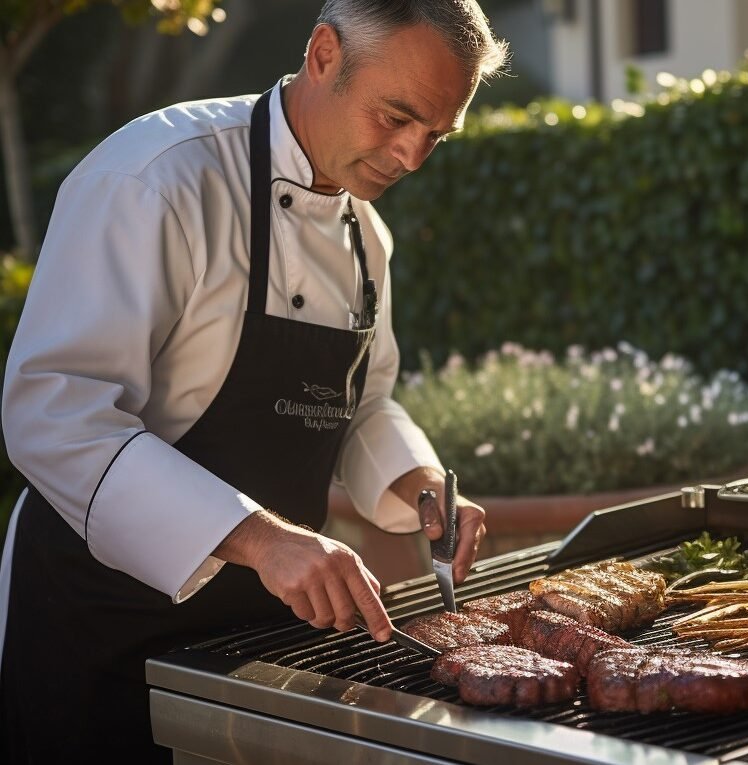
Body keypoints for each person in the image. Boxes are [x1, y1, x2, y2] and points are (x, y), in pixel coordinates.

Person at [0, 1, 508, 761]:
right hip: (98, 627)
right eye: (396, 116)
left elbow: (359, 403)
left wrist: (421, 485)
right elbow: (54, 416)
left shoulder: (367, 235)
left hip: (253, 648)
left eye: (435, 134)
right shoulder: (155, 178)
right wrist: (266, 540)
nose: (410, 156)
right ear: (324, 54)